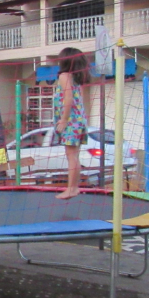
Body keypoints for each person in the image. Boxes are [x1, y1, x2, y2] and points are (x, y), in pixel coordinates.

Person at [53, 47, 89, 200]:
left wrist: (64, 119)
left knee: (71, 155)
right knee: (74, 155)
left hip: (72, 121)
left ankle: (71, 188)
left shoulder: (64, 76)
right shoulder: (76, 78)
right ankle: (74, 187)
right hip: (79, 120)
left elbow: (69, 99)